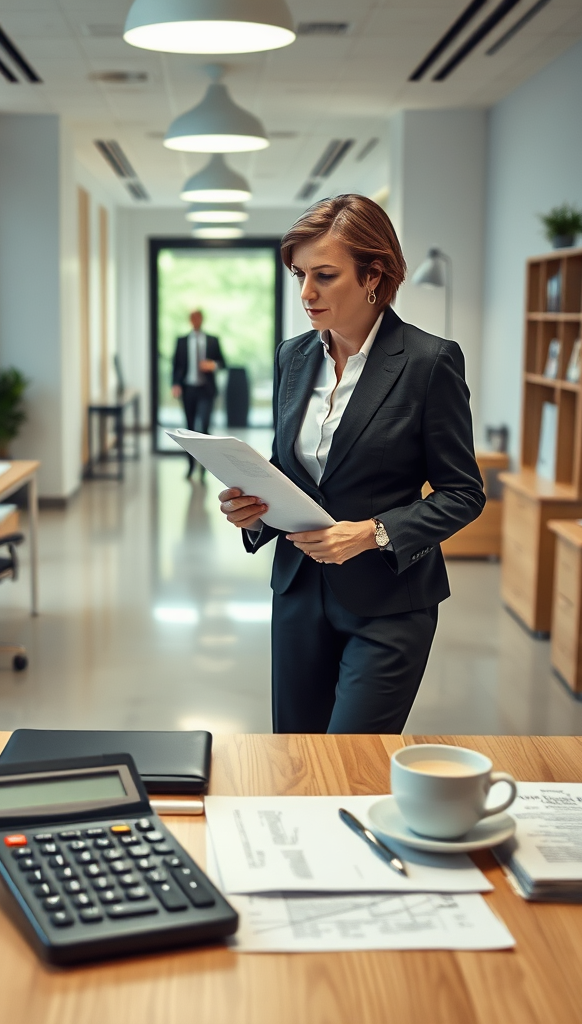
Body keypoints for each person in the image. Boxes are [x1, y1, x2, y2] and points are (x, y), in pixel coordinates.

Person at [217, 195, 485, 734]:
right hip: (297, 593)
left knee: (351, 763)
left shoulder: (429, 362)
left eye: (324, 275)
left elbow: (463, 493)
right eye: (299, 274)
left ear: (373, 275)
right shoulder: (293, 356)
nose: (306, 293)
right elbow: (291, 467)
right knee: (295, 757)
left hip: (387, 601)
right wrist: (255, 511)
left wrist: (373, 532)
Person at [171, 310, 225, 478]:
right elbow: (176, 365)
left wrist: (213, 365)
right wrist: (175, 384)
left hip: (206, 390)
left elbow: (223, 363)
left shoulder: (212, 340)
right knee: (189, 428)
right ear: (190, 320)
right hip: (188, 389)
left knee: (205, 427)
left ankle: (204, 466)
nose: (196, 320)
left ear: (202, 319)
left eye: (198, 317)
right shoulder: (181, 341)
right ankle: (190, 465)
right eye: (193, 318)